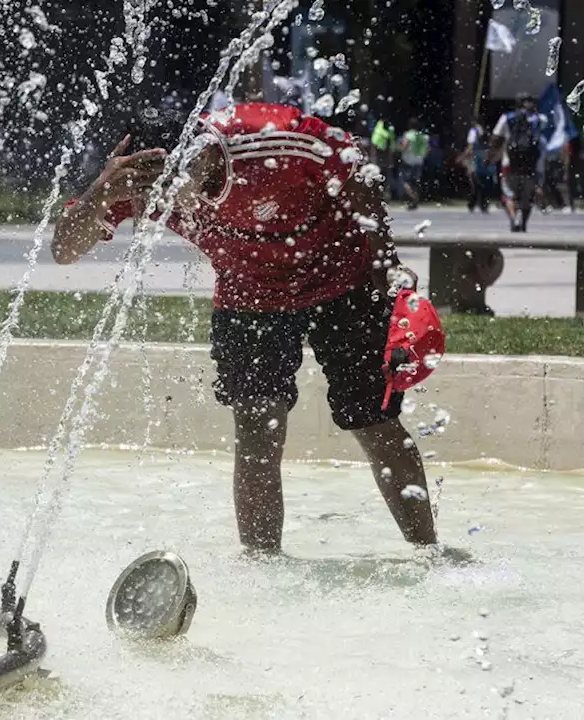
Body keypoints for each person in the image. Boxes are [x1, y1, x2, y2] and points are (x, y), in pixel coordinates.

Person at [54, 103, 440, 552]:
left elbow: (355, 168)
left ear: (197, 152)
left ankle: (427, 553)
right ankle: (263, 568)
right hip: (249, 294)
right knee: (257, 428)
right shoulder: (139, 180)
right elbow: (64, 249)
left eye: (169, 185)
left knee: (373, 420)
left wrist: (384, 260)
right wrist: (100, 192)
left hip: (341, 278)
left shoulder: (269, 136)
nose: (161, 203)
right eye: (148, 194)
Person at [491, 92, 546, 233]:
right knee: (527, 197)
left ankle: (514, 218)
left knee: (509, 195)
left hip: (510, 163)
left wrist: (490, 156)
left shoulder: (507, 118)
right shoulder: (540, 119)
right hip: (532, 165)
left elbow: (496, 138)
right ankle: (523, 223)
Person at [458, 122, 495, 213]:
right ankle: (481, 204)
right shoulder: (488, 148)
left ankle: (475, 204)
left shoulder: (477, 147)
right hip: (486, 171)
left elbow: (470, 152)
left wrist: (462, 158)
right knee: (483, 188)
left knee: (477, 187)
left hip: (478, 170)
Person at [398, 117, 430, 210]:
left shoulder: (408, 135)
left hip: (408, 160)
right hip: (419, 160)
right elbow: (427, 149)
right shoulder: (423, 136)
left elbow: (404, 146)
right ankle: (414, 201)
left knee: (405, 181)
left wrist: (399, 149)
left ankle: (413, 198)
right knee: (415, 182)